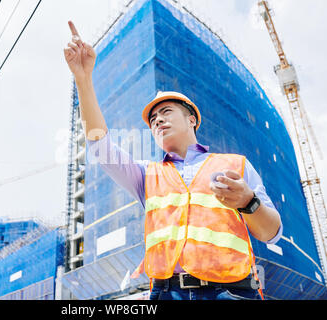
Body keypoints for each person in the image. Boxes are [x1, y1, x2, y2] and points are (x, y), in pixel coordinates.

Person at [64, 21, 282, 300]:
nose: (158, 121)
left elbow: (271, 232)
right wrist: (83, 79)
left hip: (231, 293)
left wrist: (248, 201)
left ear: (192, 119)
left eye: (166, 112)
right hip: (167, 293)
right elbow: (99, 144)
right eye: (153, 120)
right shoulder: (146, 175)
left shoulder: (235, 165)